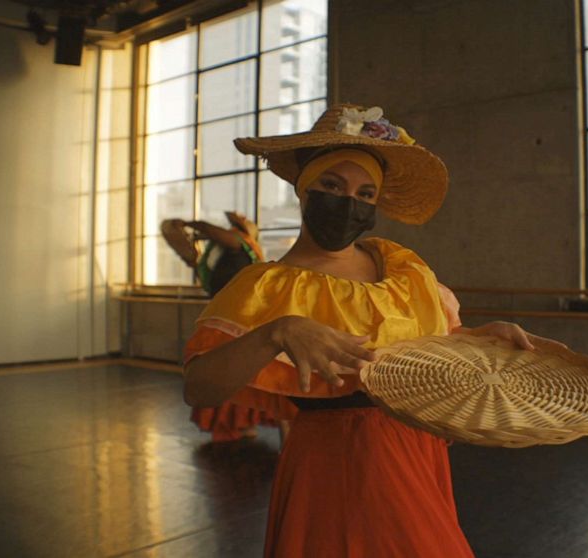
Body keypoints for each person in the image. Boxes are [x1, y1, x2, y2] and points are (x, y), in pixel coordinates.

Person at [182, 104, 538, 557]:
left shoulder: (400, 266)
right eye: (332, 186)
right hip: (343, 460)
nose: (349, 203)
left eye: (366, 194)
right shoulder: (266, 287)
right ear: (304, 188)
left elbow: (428, 346)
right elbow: (199, 387)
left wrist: (481, 337)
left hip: (417, 445)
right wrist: (277, 332)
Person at [161, 212, 279, 442]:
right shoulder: (219, 252)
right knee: (223, 371)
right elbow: (199, 261)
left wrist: (190, 224)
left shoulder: (242, 243)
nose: (231, 229)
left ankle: (240, 422)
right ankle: (235, 424)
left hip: (240, 320)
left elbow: (215, 232)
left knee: (233, 371)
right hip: (225, 318)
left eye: (236, 226)